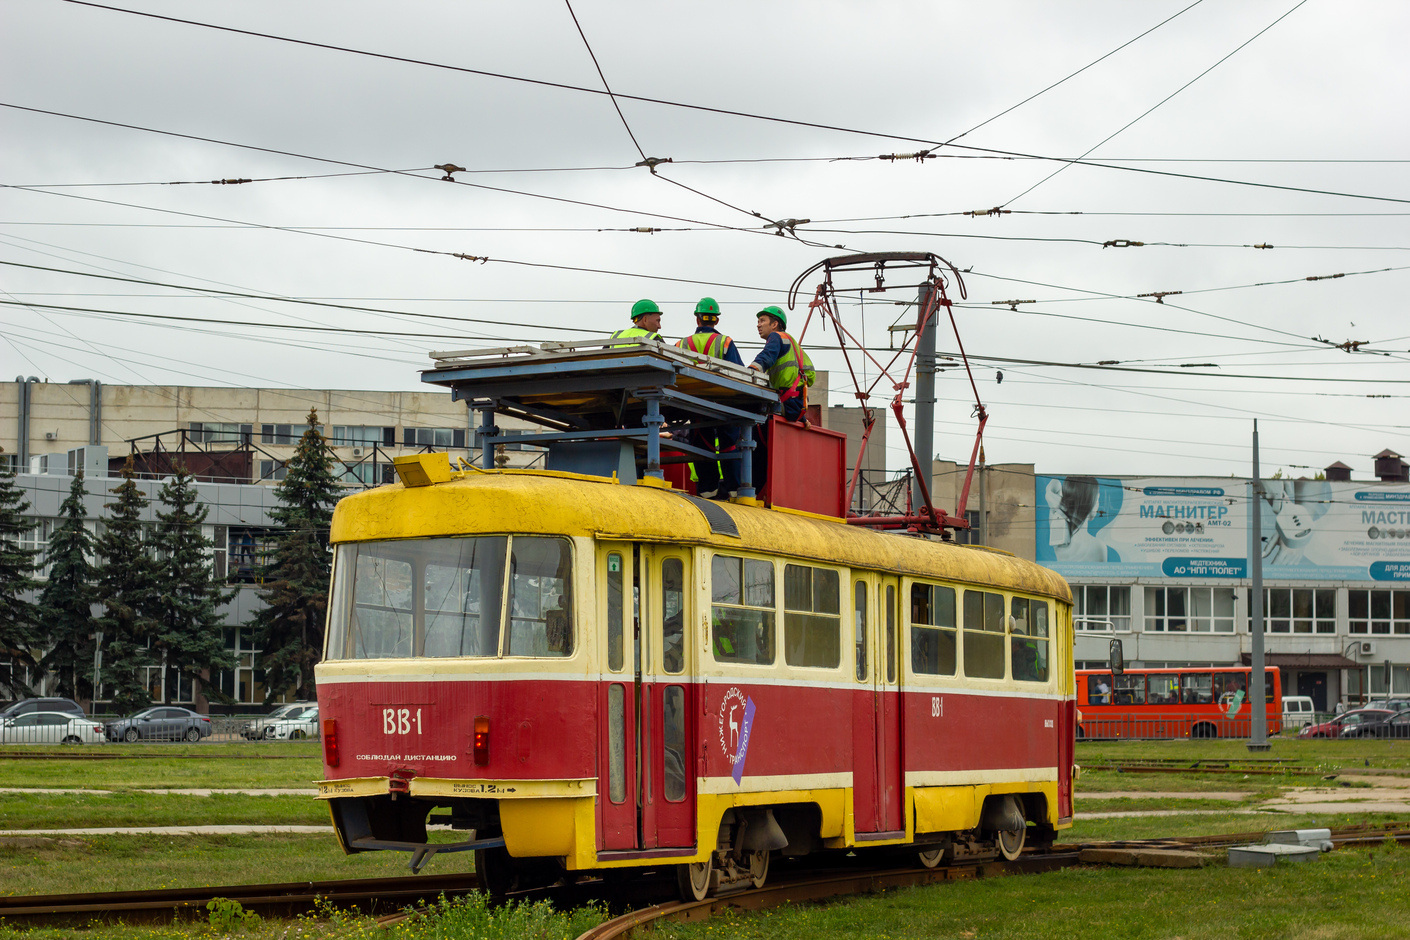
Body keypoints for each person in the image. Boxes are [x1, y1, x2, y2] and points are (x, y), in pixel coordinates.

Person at [676, 297, 745, 498]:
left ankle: (707, 490)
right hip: (723, 404)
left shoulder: (682, 343)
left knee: (700, 443)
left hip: (695, 404)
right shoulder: (725, 342)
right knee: (729, 443)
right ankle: (734, 489)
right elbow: (739, 374)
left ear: (697, 320)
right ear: (716, 321)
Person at [747, 305, 815, 493]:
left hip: (785, 403)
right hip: (795, 405)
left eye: (763, 321)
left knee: (751, 431)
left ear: (775, 324)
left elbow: (766, 357)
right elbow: (811, 375)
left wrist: (750, 371)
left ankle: (748, 487)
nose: (758, 325)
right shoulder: (794, 344)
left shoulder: (776, 337)